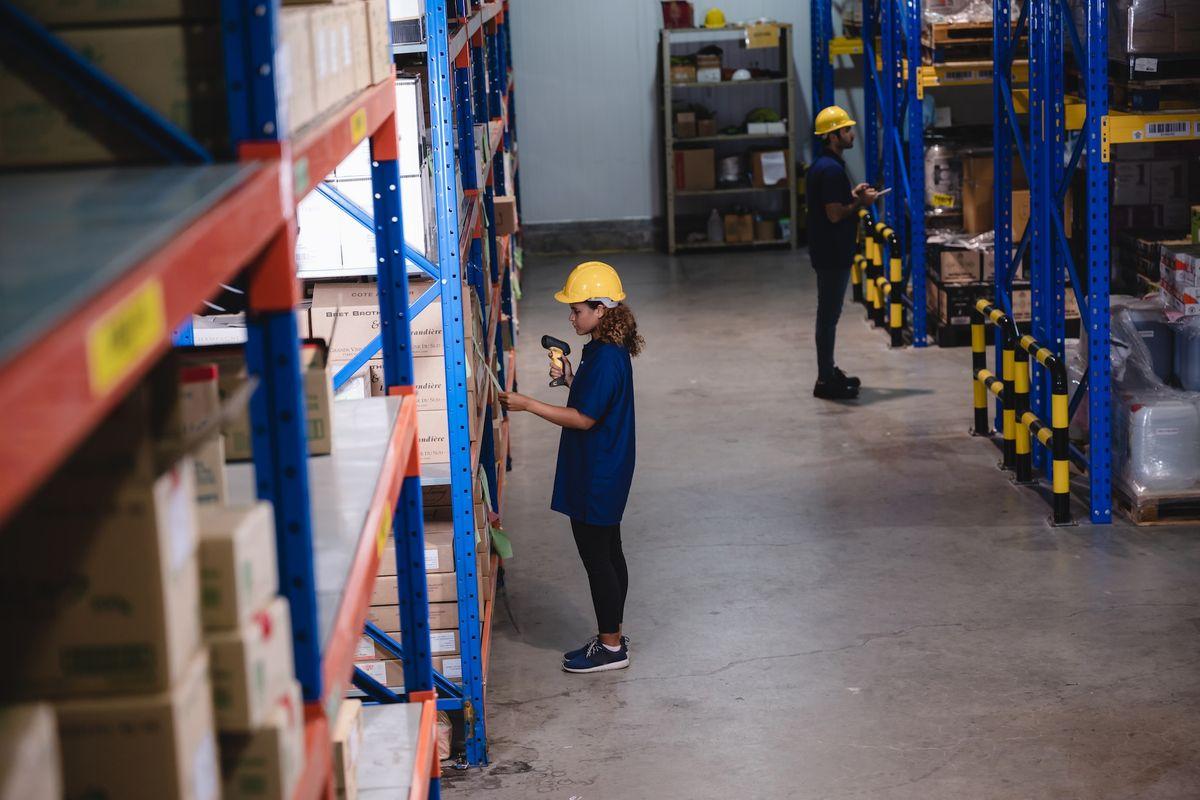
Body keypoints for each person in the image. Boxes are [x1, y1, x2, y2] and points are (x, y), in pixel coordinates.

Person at [499, 261, 643, 674]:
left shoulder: (607, 358)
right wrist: (570, 380)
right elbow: (596, 398)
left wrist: (527, 404)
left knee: (598, 558)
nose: (571, 317)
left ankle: (611, 648)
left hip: (597, 470)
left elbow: (583, 418)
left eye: (577, 310)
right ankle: (613, 634)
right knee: (609, 551)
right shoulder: (604, 349)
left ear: (600, 309)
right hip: (606, 464)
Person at [806, 105, 880, 400]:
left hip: (827, 250)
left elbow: (831, 204)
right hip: (832, 252)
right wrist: (862, 203)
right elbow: (835, 214)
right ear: (832, 136)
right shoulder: (832, 170)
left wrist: (852, 195)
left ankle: (828, 370)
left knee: (828, 315)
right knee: (828, 317)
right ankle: (825, 380)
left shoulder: (823, 166)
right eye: (846, 130)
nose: (852, 134)